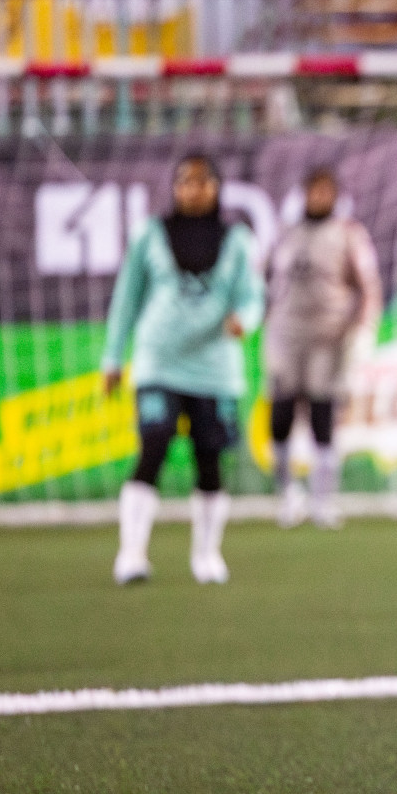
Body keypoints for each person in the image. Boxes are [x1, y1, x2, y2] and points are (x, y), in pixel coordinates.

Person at [103, 153, 264, 585]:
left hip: (214, 369)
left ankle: (207, 555)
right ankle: (132, 553)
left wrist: (243, 320)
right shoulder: (149, 236)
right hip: (159, 362)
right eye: (184, 181)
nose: (194, 189)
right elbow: (126, 300)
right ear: (174, 188)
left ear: (217, 187)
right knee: (153, 444)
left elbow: (253, 297)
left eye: (203, 181)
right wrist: (113, 358)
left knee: (209, 459)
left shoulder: (238, 240)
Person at [264, 167, 382, 529]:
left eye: (324, 191)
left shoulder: (349, 234)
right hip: (285, 336)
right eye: (312, 191)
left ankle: (323, 499)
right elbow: (264, 277)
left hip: (327, 337)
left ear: (334, 195)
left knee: (321, 416)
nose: (318, 198)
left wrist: (363, 331)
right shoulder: (284, 233)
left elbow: (369, 285)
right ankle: (287, 495)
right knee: (280, 417)